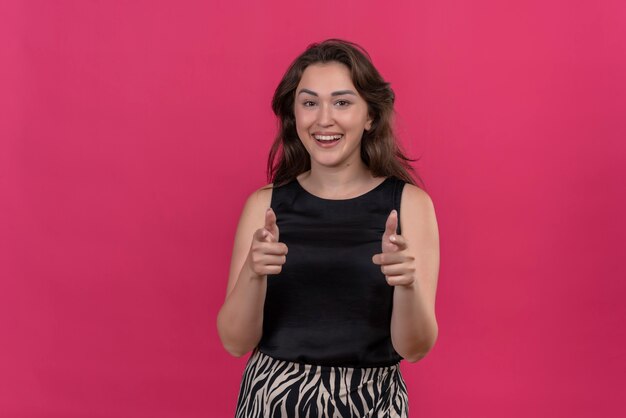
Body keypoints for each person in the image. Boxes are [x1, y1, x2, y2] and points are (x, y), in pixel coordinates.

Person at [216, 38, 440, 418]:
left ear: (370, 115)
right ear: (294, 114)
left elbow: (414, 349)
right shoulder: (264, 205)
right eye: (309, 103)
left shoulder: (409, 206)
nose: (323, 119)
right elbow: (236, 344)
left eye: (342, 102)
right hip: (273, 401)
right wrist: (253, 273)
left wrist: (408, 284)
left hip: (371, 404)